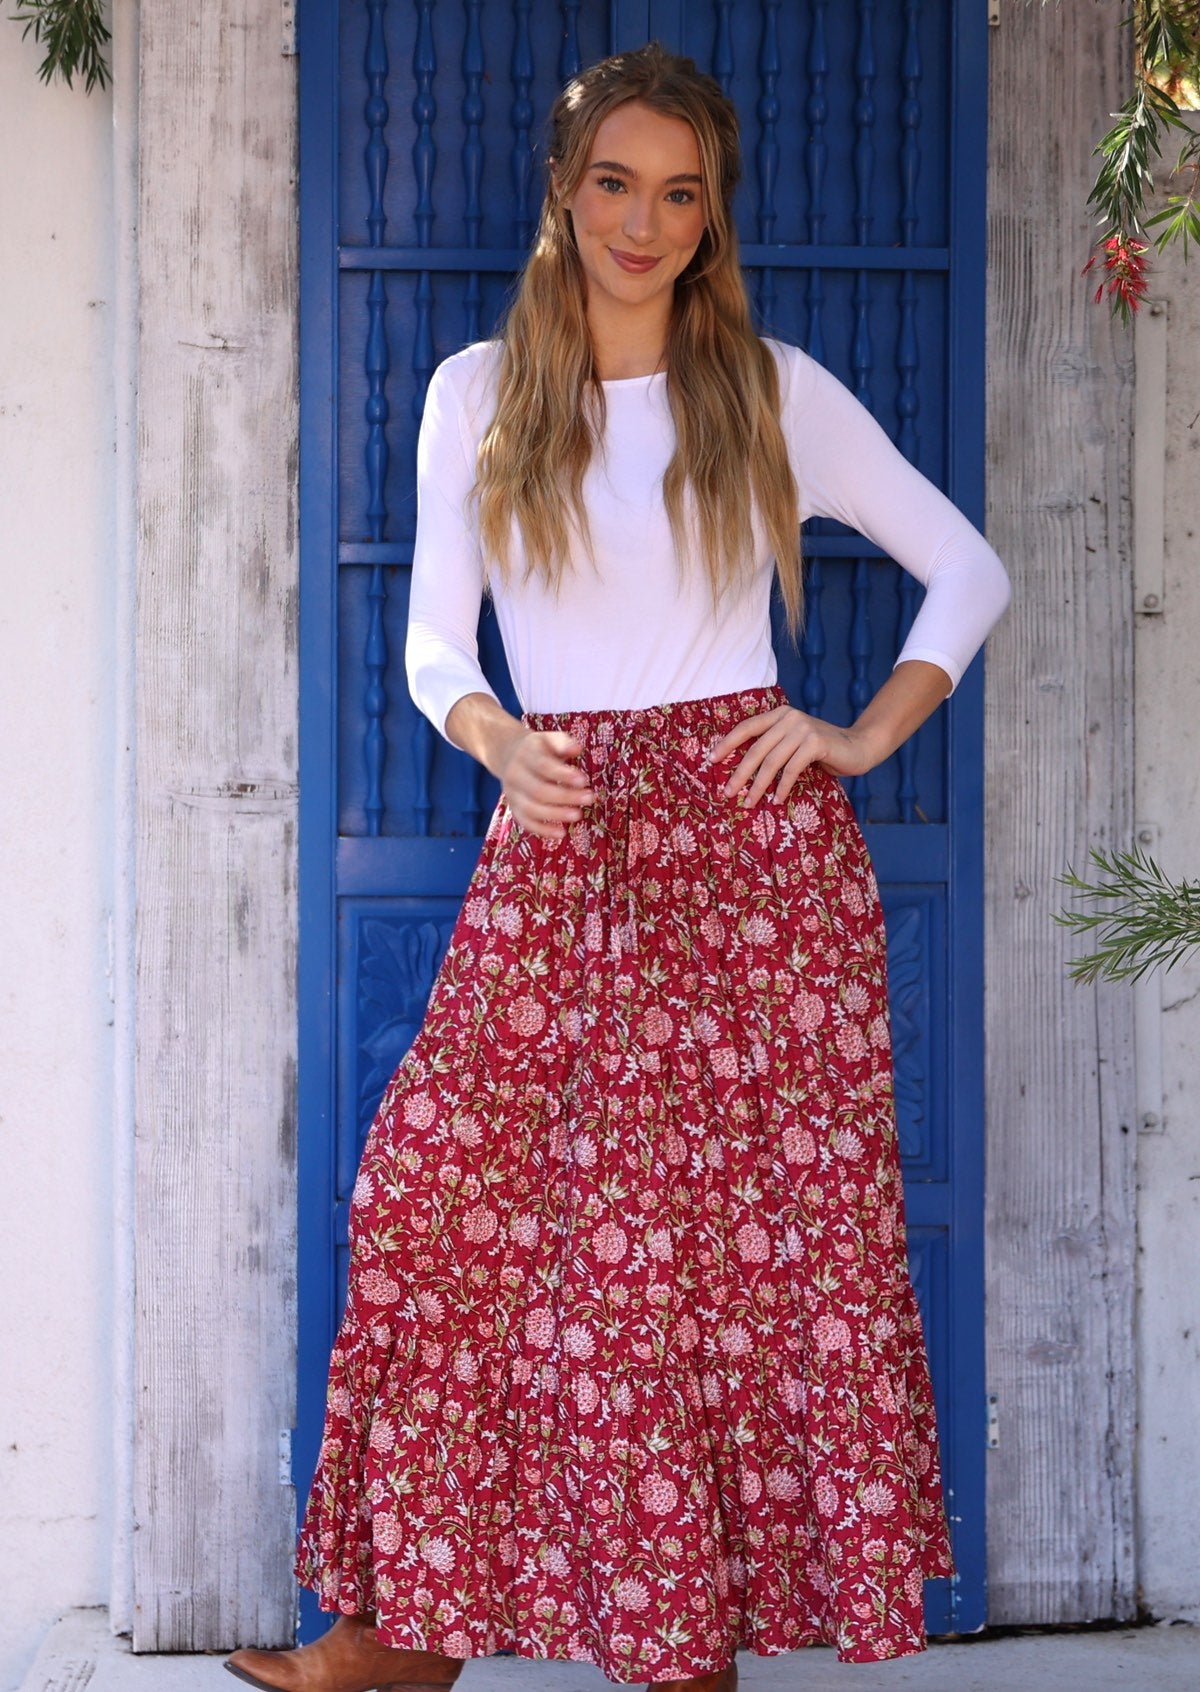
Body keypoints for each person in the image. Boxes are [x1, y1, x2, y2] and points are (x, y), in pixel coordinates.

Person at [226, 40, 1010, 1692]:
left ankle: (680, 1642)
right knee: (438, 1211)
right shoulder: (476, 393)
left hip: (751, 863)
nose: (643, 222)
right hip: (563, 829)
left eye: (679, 192)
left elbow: (968, 567)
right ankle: (410, 1638)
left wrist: (859, 735)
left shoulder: (774, 390)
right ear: (563, 190)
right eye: (614, 184)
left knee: (712, 1261)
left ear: (713, 215)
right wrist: (496, 739)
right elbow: (440, 638)